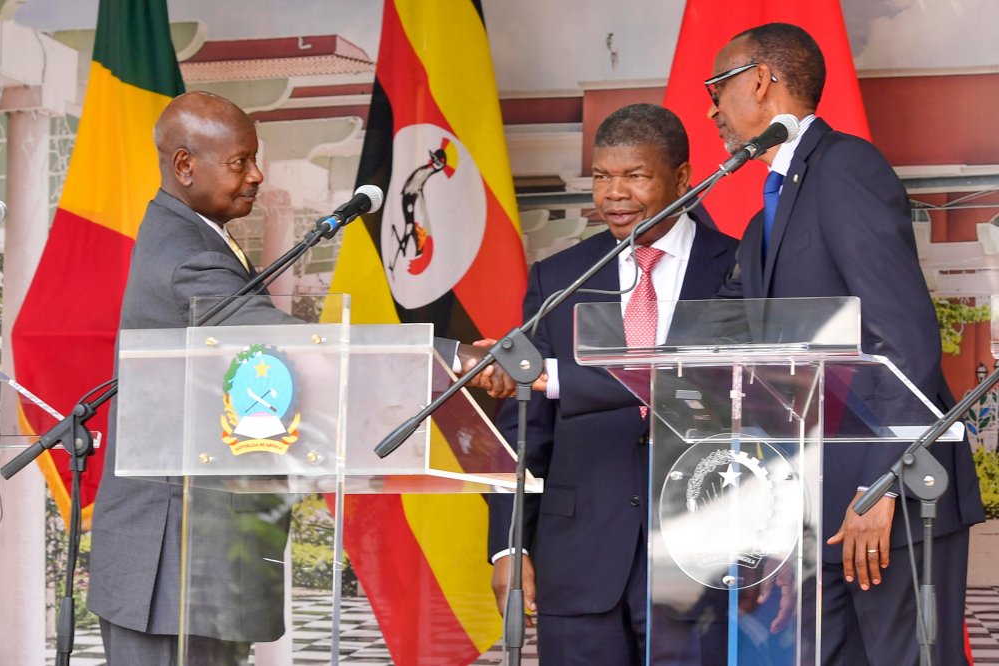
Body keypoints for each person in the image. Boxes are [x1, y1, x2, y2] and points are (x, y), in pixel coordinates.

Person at [86, 91, 497, 664]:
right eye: (240, 162)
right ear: (185, 165)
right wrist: (454, 356)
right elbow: (288, 346)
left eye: (256, 158)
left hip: (195, 564)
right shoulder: (188, 255)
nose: (256, 175)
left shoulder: (196, 236)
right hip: (174, 565)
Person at [708, 23, 984, 665]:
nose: (713, 106)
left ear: (758, 79)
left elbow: (904, 335)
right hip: (811, 506)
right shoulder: (764, 219)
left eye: (717, 86)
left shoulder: (845, 168)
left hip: (884, 498)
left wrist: (880, 486)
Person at [488, 103, 738, 664]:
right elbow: (523, 426)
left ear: (681, 178)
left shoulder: (740, 268)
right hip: (579, 561)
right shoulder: (559, 278)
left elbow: (721, 388)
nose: (613, 194)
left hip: (702, 561)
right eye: (602, 177)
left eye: (635, 176)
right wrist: (508, 544)